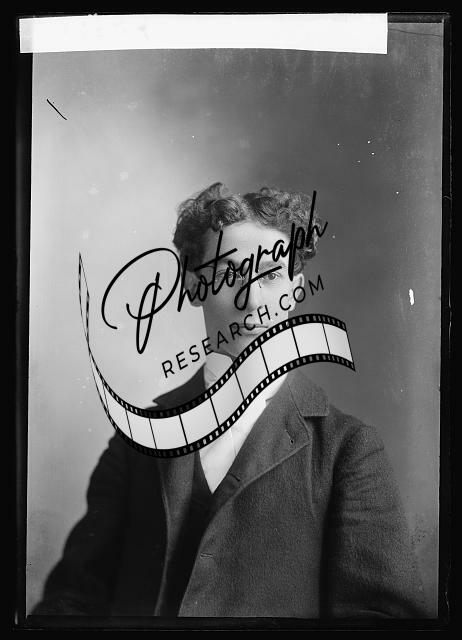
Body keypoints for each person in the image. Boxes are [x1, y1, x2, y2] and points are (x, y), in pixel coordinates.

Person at [32, 183, 428, 618]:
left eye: (271, 275)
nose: (252, 300)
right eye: (229, 275)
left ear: (296, 289)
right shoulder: (138, 441)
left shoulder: (347, 450)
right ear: (193, 284)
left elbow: (381, 619)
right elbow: (72, 602)